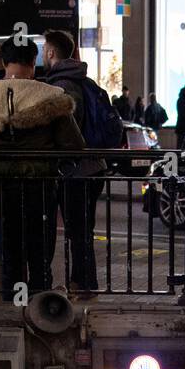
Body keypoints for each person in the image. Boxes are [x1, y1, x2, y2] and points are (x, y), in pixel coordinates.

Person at [0, 36, 84, 300]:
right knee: (39, 253)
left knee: (7, 251)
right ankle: (39, 306)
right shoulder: (52, 97)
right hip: (41, 184)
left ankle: (11, 308)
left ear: (3, 62)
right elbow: (74, 144)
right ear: (33, 62)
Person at [40, 28, 110, 298]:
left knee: (77, 231)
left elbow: (65, 132)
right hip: (94, 166)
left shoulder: (61, 86)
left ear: (51, 52)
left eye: (44, 50)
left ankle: (83, 285)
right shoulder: (83, 81)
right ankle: (82, 282)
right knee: (82, 230)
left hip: (76, 169)